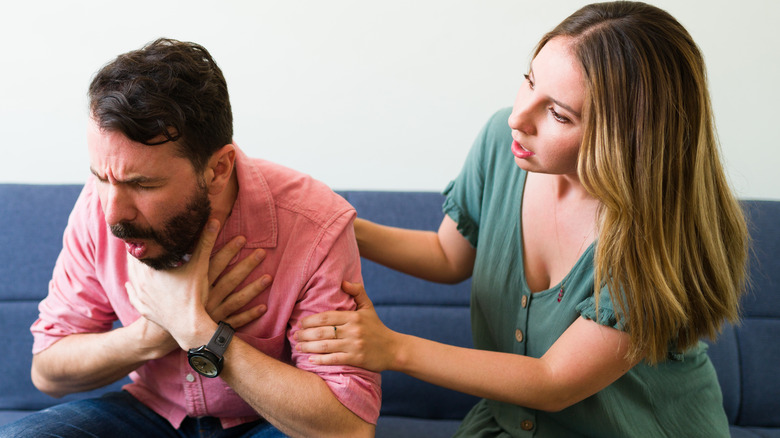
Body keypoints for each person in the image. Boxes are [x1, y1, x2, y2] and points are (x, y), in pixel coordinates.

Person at [294, 2, 749, 437]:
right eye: (529, 82)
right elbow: (447, 255)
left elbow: (552, 382)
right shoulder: (503, 144)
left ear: (627, 139)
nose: (518, 117)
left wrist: (391, 347)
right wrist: (334, 223)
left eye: (557, 113)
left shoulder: (654, 241)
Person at [1, 38, 379, 438]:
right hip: (151, 413)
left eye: (143, 184)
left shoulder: (314, 223)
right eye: (100, 178)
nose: (113, 215)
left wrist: (199, 332)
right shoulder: (100, 204)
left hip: (269, 421)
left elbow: (347, 428)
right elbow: (47, 370)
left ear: (218, 169)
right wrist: (156, 332)